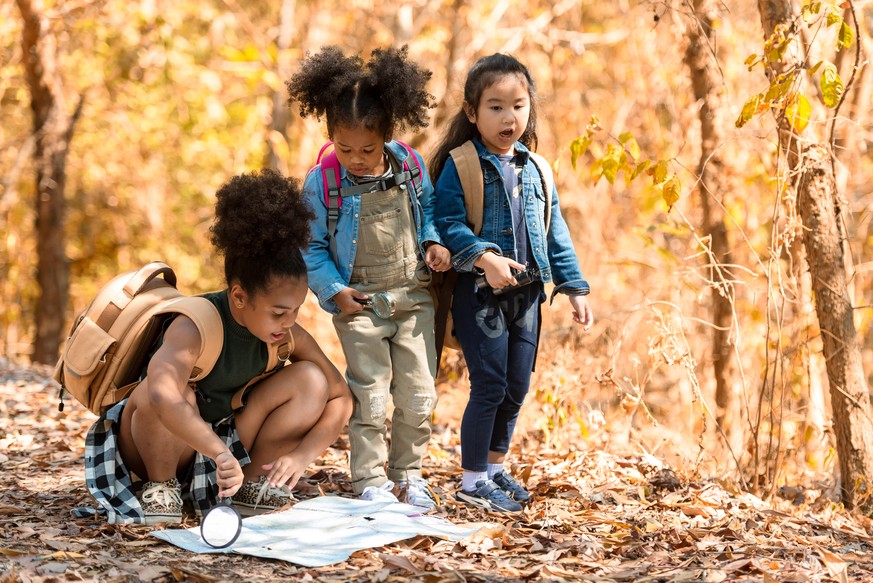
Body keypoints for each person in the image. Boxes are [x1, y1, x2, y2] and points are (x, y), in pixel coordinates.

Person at [83, 169, 353, 525]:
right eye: (278, 312)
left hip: (223, 448)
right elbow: (161, 396)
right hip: (159, 444)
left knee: (311, 380)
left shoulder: (287, 335)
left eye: (296, 309)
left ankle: (253, 486)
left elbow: (341, 398)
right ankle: (161, 489)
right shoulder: (194, 325)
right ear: (239, 296)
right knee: (165, 391)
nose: (289, 321)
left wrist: (302, 456)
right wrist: (217, 452)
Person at [286, 45, 451, 510]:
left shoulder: (410, 166)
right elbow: (312, 246)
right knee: (371, 395)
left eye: (367, 149)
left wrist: (435, 245)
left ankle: (409, 473)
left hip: (413, 296)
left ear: (387, 135)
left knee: (419, 394)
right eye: (345, 148)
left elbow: (430, 214)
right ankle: (371, 479)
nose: (356, 158)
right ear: (330, 136)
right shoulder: (324, 182)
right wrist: (334, 291)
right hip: (359, 304)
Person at [429, 53, 594, 513]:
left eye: (518, 105)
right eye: (496, 106)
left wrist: (574, 285)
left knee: (517, 385)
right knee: (489, 384)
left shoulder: (536, 167)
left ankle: (495, 468)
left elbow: (553, 230)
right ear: (472, 112)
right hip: (480, 294)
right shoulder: (461, 165)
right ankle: (471, 479)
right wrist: (484, 258)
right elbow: (448, 223)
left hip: (527, 296)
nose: (509, 117)